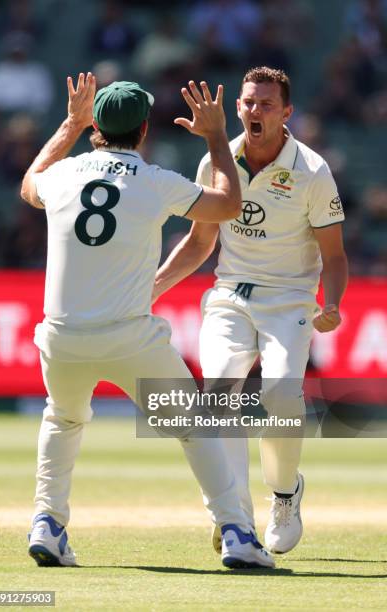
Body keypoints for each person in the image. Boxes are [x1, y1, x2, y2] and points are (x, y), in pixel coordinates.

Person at [20, 72, 275, 569]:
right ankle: (237, 532)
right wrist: (219, 136)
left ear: (96, 125)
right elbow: (228, 205)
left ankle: (47, 524)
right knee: (196, 427)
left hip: (62, 337)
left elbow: (30, 186)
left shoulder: (64, 175)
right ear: (143, 131)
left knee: (63, 417)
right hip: (129, 338)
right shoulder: (156, 181)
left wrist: (69, 125)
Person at [154, 66, 348, 555]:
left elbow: (335, 254)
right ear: (236, 107)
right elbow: (201, 242)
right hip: (230, 296)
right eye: (247, 103)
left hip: (290, 299)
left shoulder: (312, 170)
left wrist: (334, 303)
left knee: (282, 398)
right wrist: (151, 287)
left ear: (287, 113)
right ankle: (236, 520)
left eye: (265, 104)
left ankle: (285, 494)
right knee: (220, 398)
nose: (253, 111)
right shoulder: (217, 162)